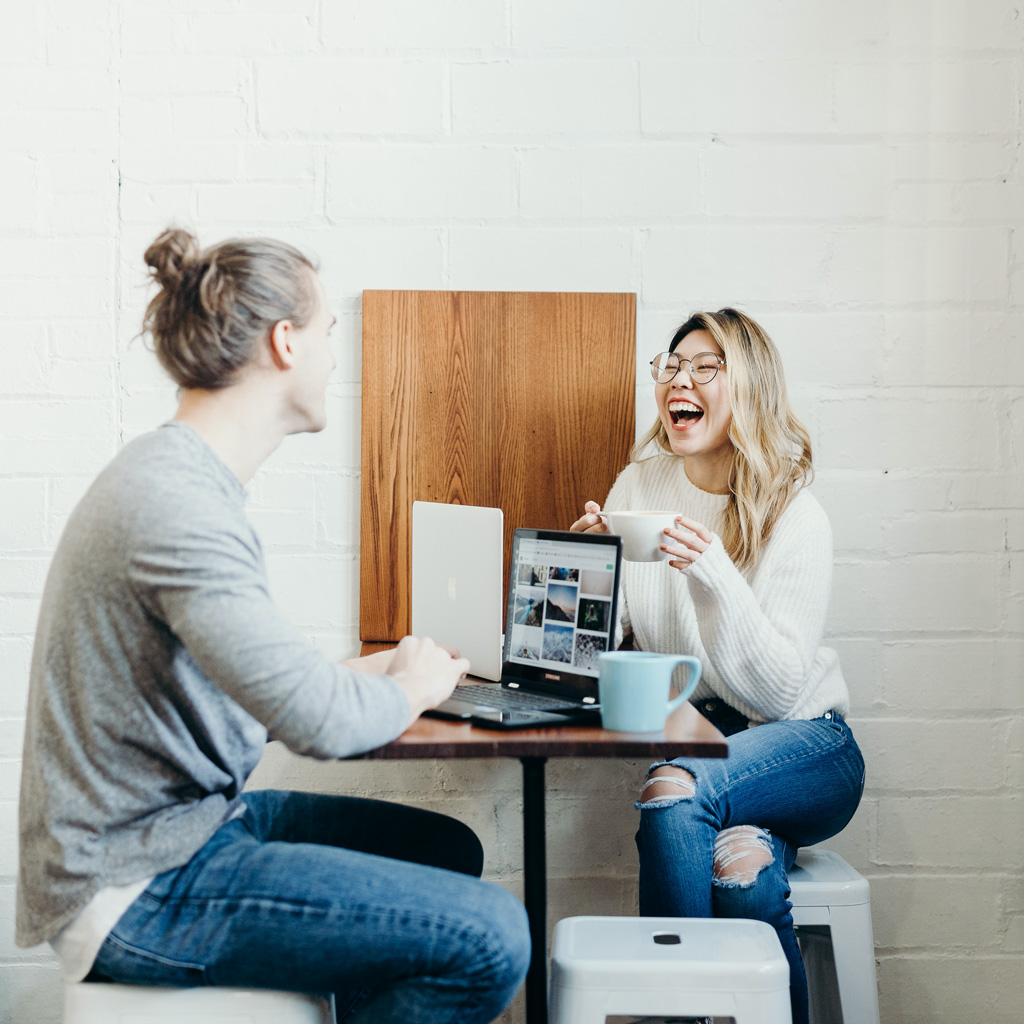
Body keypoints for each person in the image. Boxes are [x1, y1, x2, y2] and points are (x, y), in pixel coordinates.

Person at [16, 228, 530, 1024]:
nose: (334, 356)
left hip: (184, 834)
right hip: (136, 885)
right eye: (329, 334)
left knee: (449, 852)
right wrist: (416, 684)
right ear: (285, 343)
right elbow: (317, 720)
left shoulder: (185, 482)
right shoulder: (177, 508)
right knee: (493, 936)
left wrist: (383, 670)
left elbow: (261, 691)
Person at [571, 307, 864, 1024]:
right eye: (672, 365)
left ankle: (669, 1014)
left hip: (806, 745)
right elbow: (616, 646)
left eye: (707, 367)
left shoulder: (796, 513)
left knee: (671, 788)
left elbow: (780, 689)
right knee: (743, 874)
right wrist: (592, 577)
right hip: (710, 741)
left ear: (750, 388)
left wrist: (714, 570)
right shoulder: (637, 487)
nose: (682, 378)